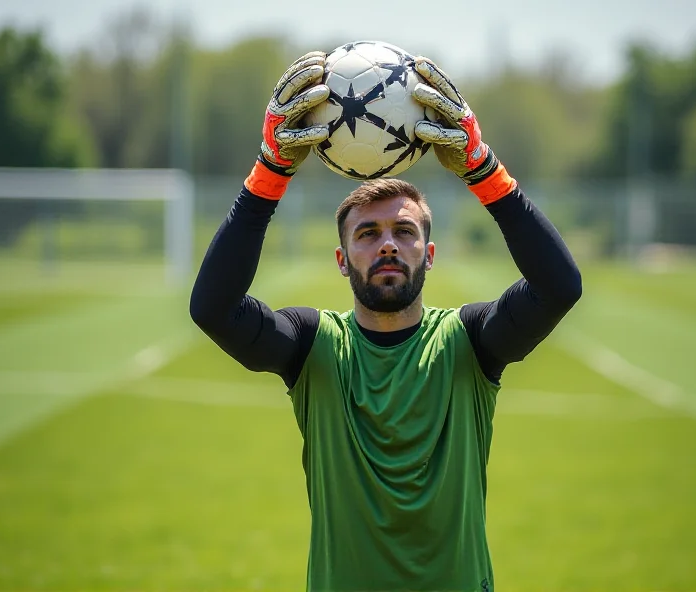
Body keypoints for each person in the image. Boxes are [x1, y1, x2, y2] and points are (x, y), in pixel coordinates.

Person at [190, 50, 582, 592]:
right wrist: (270, 172)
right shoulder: (313, 347)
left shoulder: (469, 343)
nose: (388, 245)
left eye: (404, 232)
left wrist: (483, 170)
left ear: (430, 252)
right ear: (342, 258)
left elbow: (560, 287)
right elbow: (212, 309)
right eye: (367, 235)